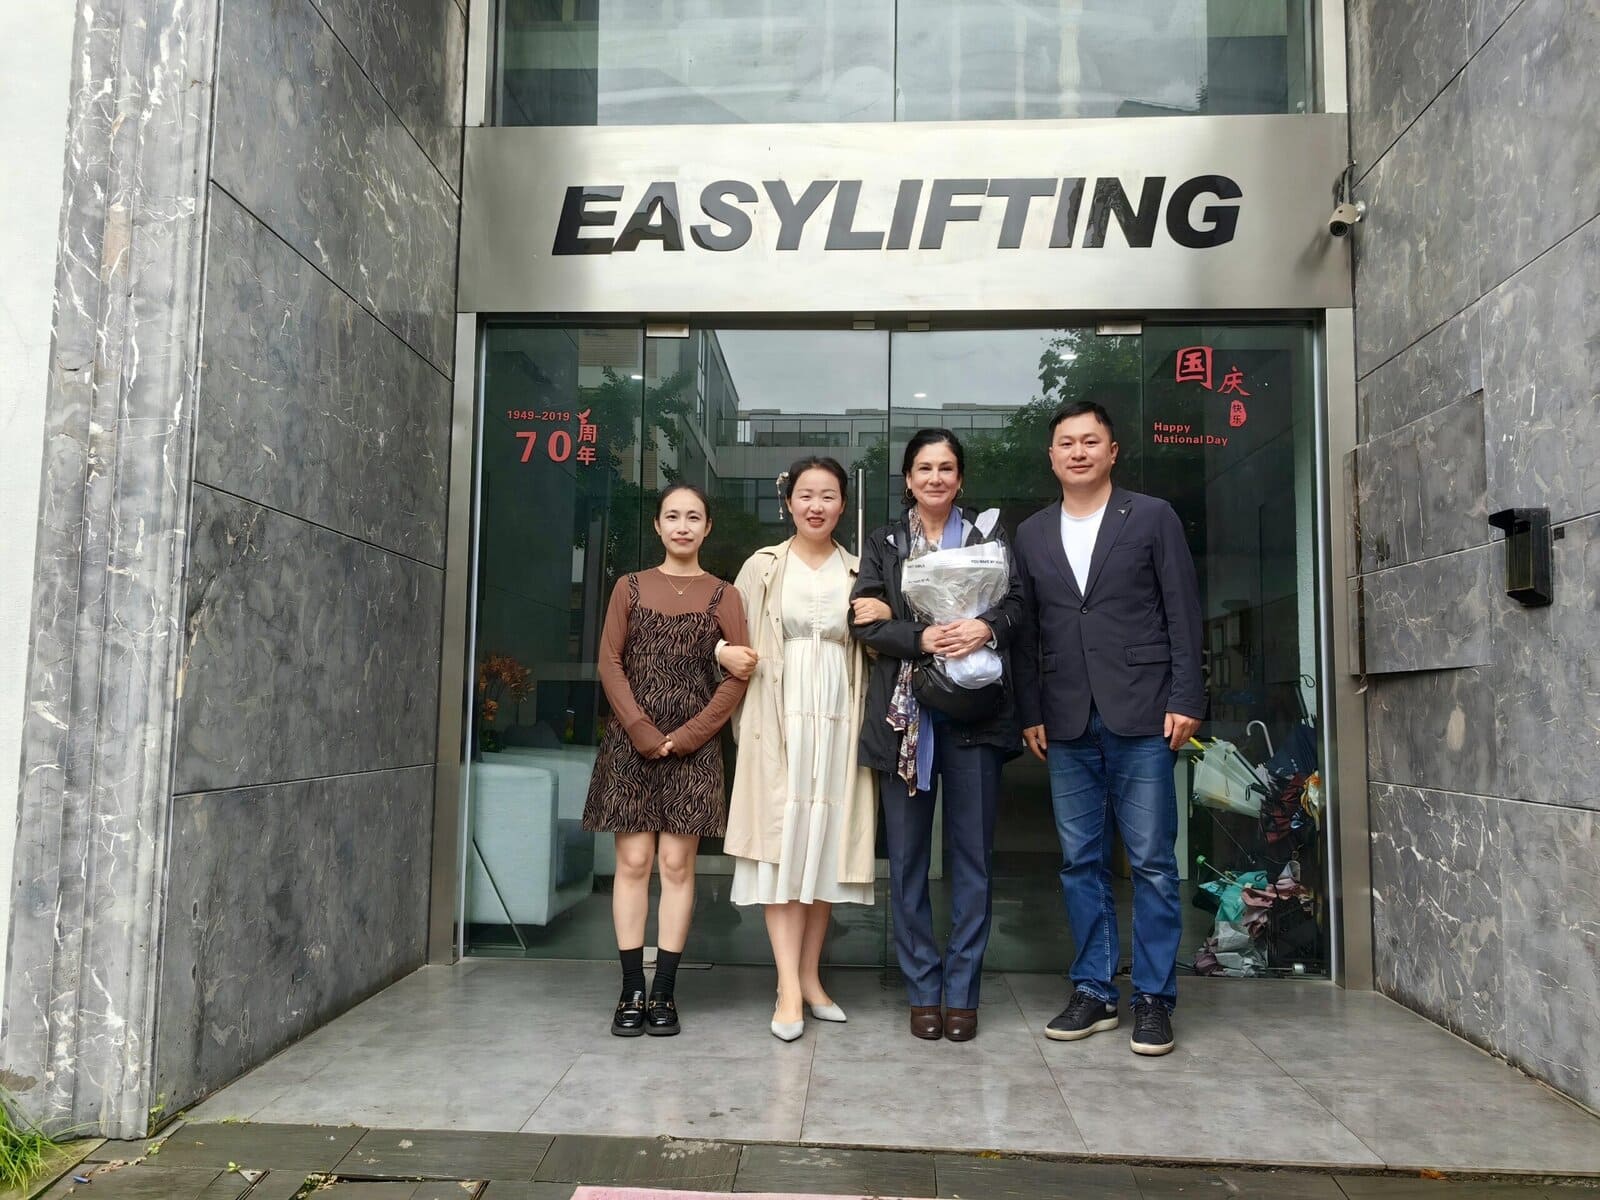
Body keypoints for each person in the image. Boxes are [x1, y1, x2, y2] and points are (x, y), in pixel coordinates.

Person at [1011, 401, 1204, 1056]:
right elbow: (1029, 633)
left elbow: (1182, 608)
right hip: (1066, 717)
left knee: (1151, 861)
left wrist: (1187, 695)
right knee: (1079, 861)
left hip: (1145, 710)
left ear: (1112, 451)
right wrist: (1031, 709)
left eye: (1091, 441)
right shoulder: (1033, 533)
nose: (1079, 451)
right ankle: (1094, 989)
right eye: (1066, 442)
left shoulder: (1150, 517)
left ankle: (1153, 996)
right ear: (1053, 456)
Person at [847, 429, 1022, 1042]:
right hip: (907, 719)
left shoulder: (989, 536)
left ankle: (963, 991)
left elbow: (1019, 604)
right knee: (910, 863)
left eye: (947, 468)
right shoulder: (885, 541)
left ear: (961, 479)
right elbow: (861, 619)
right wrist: (917, 637)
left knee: (973, 861)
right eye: (925, 468)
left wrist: (983, 627)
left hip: (975, 714)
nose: (936, 478)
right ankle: (923, 987)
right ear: (908, 478)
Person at [715, 457, 877, 1043]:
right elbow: (725, 632)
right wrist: (719, 653)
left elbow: (876, 642)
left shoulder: (860, 568)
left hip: (839, 713)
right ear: (789, 502)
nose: (816, 505)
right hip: (778, 716)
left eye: (828, 496)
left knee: (824, 848)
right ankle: (787, 985)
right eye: (806, 494)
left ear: (841, 505)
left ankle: (811, 978)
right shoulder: (762, 566)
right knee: (782, 849)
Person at [582, 483, 749, 1037]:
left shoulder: (725, 595)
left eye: (693, 517)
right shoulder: (628, 588)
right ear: (657, 526)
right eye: (672, 516)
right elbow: (610, 663)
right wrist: (644, 731)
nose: (682, 525)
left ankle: (665, 993)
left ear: (708, 528)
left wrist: (689, 735)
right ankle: (631, 987)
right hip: (632, 748)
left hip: (695, 753)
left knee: (678, 868)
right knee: (632, 866)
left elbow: (737, 677)